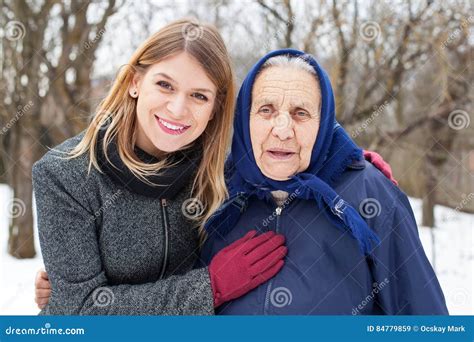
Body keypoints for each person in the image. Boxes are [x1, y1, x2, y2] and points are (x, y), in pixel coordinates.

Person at [32, 19, 288, 315]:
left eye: (199, 95)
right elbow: (83, 312)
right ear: (135, 83)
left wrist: (348, 164)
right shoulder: (65, 175)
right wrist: (211, 287)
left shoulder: (220, 176)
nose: (177, 109)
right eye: (165, 85)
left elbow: (295, 183)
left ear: (214, 108)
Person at [200, 49, 448, 315]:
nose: (282, 130)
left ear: (325, 123)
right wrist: (207, 288)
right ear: (244, 119)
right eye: (266, 109)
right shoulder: (214, 191)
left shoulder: (370, 194)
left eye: (301, 113)